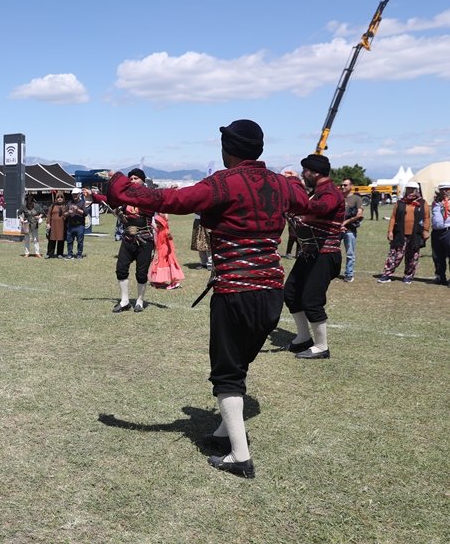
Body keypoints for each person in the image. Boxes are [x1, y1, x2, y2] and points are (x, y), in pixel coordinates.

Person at [106, 119, 308, 479]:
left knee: (227, 372)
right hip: (272, 290)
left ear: (227, 149)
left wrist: (118, 182)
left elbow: (165, 199)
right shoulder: (282, 185)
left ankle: (239, 457)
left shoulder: (222, 183)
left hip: (236, 291)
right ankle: (222, 431)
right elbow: (312, 204)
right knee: (240, 362)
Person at [284, 155, 345, 360]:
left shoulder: (330, 192)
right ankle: (303, 337)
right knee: (291, 292)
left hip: (325, 255)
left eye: (305, 171)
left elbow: (321, 209)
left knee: (311, 300)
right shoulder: (317, 192)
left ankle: (321, 346)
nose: (303, 175)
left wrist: (295, 186)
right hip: (310, 253)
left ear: (315, 172)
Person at [87, 169, 156, 312]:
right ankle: (124, 301)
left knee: (141, 273)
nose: (133, 180)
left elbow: (149, 211)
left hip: (145, 240)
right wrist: (93, 195)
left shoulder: (149, 196)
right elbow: (108, 199)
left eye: (136, 178)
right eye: (130, 178)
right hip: (128, 239)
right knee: (121, 269)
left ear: (142, 180)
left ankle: (139, 301)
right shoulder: (125, 198)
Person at [378, 182, 430, 284]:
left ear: (417, 190)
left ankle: (408, 276)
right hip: (399, 234)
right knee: (395, 255)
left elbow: (427, 218)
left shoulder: (423, 203)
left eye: (412, 189)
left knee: (412, 256)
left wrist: (426, 230)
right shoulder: (400, 202)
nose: (410, 190)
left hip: (415, 234)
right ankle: (387, 274)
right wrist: (390, 231)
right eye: (408, 188)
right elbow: (393, 217)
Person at [150, 212, 185, 290]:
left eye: (157, 223)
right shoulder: (159, 230)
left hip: (167, 252)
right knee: (161, 265)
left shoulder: (165, 231)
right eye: (156, 223)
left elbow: (170, 238)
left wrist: (170, 237)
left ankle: (175, 282)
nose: (156, 224)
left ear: (161, 223)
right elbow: (156, 230)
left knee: (170, 266)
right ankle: (160, 280)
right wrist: (152, 225)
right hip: (161, 251)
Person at [340, 178, 364, 282]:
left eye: (345, 185)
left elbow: (359, 214)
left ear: (351, 186)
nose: (343, 187)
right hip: (337, 229)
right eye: (342, 185)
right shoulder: (339, 197)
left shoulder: (356, 198)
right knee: (332, 251)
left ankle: (349, 274)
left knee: (350, 253)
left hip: (349, 230)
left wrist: (346, 222)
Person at [431, 183, 450, 286]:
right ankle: (440, 276)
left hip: (448, 230)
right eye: (443, 189)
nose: (445, 191)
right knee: (437, 256)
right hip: (436, 232)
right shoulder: (435, 202)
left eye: (447, 189)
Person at [64, 188, 87, 259]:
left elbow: (85, 213)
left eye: (76, 194)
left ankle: (79, 254)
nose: (74, 196)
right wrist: (68, 212)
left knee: (80, 241)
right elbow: (64, 214)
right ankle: (70, 254)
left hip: (79, 225)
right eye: (73, 194)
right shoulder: (69, 203)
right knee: (69, 241)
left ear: (79, 194)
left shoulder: (82, 203)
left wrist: (77, 209)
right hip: (70, 225)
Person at [46, 193, 67, 258]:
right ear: (56, 199)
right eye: (58, 197)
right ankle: (50, 253)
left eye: (61, 197)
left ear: (63, 198)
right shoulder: (52, 206)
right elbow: (49, 215)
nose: (60, 198)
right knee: (52, 239)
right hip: (53, 225)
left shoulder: (65, 206)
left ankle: (60, 253)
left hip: (62, 225)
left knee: (61, 239)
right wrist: (48, 223)